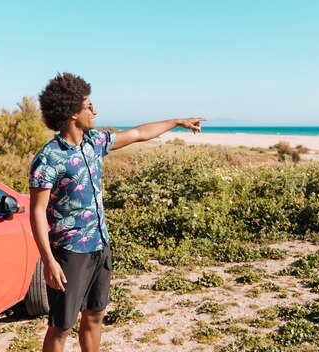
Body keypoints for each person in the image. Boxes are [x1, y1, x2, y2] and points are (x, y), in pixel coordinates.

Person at [29, 72, 204, 352]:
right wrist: (48, 261)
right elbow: (37, 212)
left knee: (95, 315)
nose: (95, 111)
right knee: (61, 325)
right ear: (73, 112)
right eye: (89, 106)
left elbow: (137, 134)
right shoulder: (49, 157)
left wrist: (175, 122)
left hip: (100, 244)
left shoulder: (95, 142)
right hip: (70, 252)